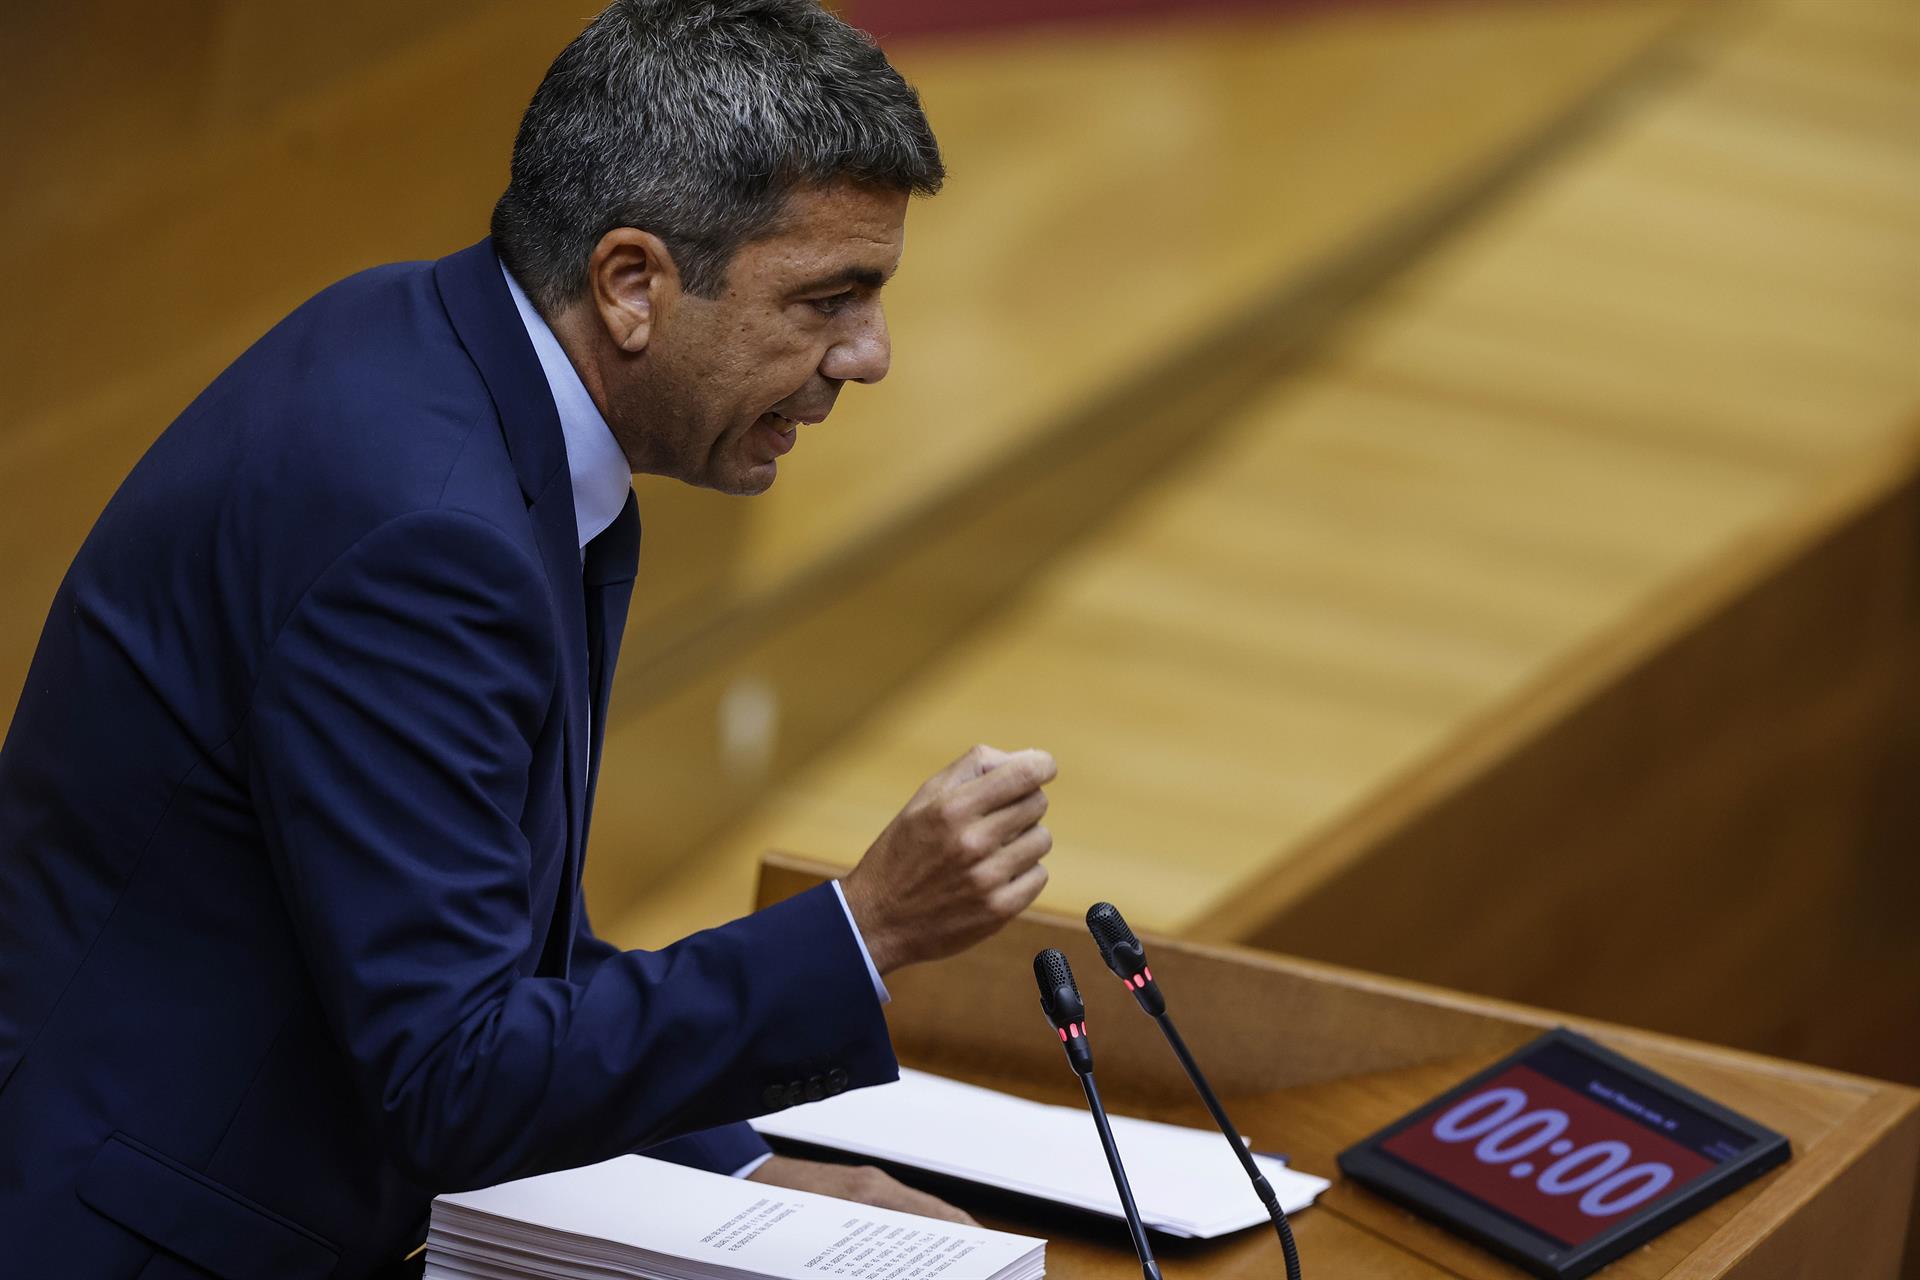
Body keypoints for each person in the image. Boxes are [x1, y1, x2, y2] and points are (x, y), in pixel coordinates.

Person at [0, 2, 1057, 1276]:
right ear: (631, 285)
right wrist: (866, 923)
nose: (870, 355)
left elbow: (495, 937)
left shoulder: (439, 352)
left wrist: (741, 1162)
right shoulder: (423, 534)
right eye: (827, 299)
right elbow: (455, 1074)